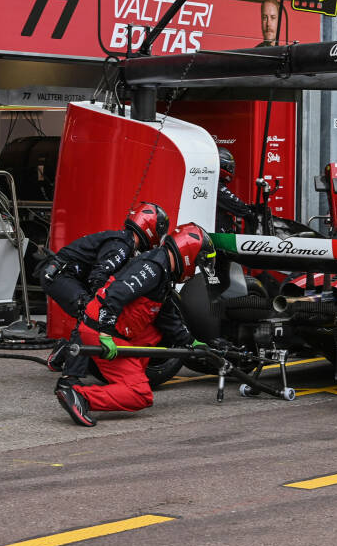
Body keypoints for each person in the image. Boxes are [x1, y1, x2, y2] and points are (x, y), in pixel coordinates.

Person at [55, 223, 217, 427]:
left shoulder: (162, 268)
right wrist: (104, 334)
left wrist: (192, 343)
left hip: (112, 328)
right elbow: (115, 294)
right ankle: (80, 396)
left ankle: (127, 375)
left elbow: (167, 318)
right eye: (198, 262)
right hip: (103, 330)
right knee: (140, 394)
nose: (195, 270)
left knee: (156, 330)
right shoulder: (153, 268)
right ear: (189, 253)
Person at [41, 201, 168, 321]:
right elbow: (98, 276)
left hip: (66, 274)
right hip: (58, 275)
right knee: (92, 313)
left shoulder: (124, 241)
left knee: (94, 311)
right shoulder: (123, 245)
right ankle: (77, 343)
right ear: (152, 229)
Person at [216, 148, 259, 233]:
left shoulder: (214, 184)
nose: (231, 170)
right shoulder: (215, 186)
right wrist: (249, 213)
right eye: (229, 167)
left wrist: (248, 207)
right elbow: (234, 203)